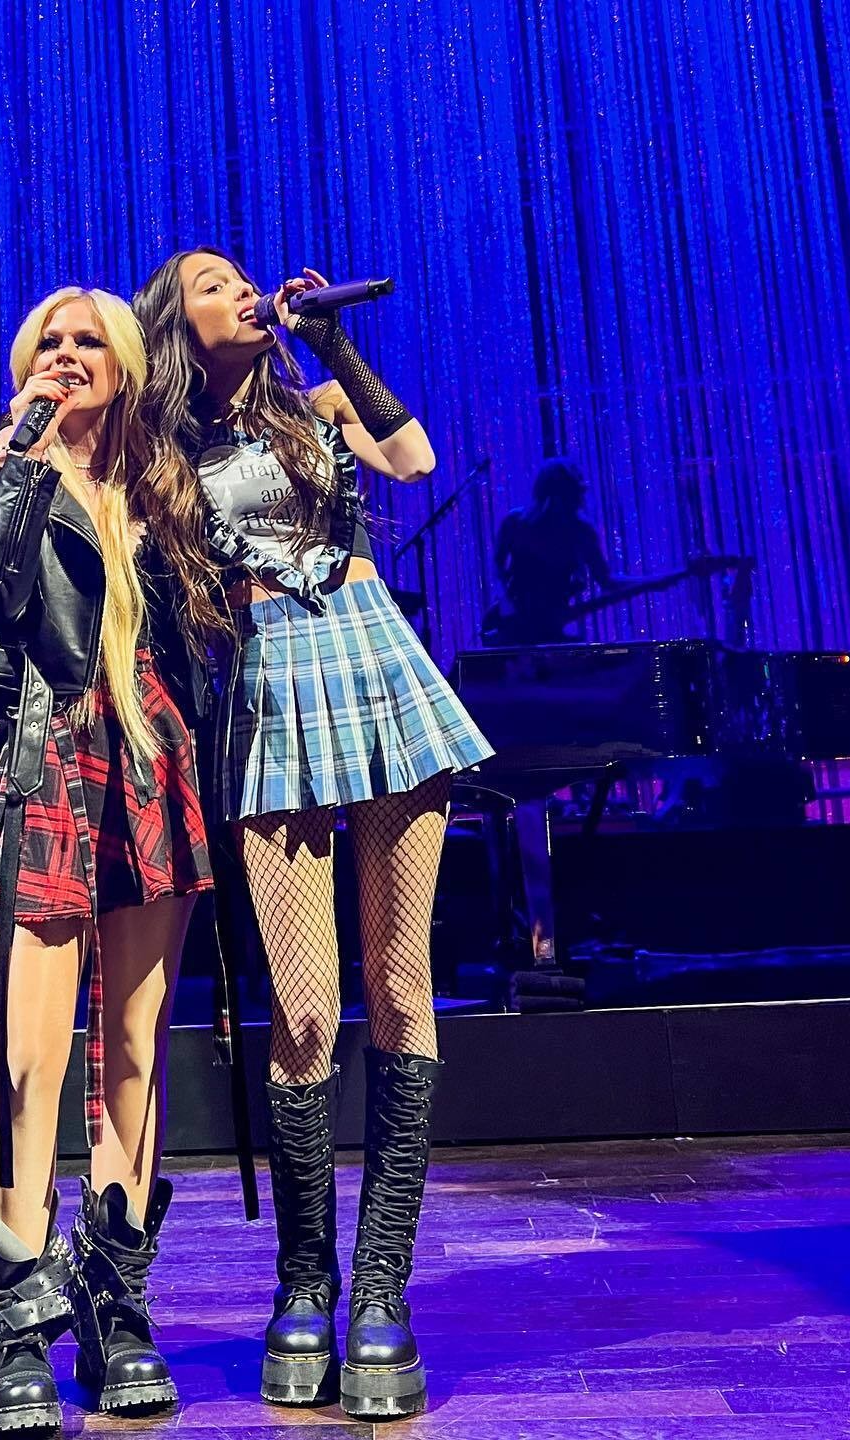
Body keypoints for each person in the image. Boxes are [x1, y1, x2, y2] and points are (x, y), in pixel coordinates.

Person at [133, 250, 492, 1421]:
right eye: (211, 284)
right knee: (300, 1008)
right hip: (271, 686)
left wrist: (329, 339)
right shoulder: (158, 447)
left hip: (376, 660)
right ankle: (304, 1276)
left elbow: (413, 458)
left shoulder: (318, 404)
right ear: (176, 323)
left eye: (244, 278)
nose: (241, 290)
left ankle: (381, 1288)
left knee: (399, 984)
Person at [0, 287, 213, 1434]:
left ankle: (115, 1300)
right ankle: (17, 1321)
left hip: (146, 758)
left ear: (126, 363)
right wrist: (26, 460)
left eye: (86, 340)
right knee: (27, 1061)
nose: (64, 355)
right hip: (42, 755)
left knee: (136, 1049)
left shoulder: (166, 485)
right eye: (47, 342)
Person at [485, 458, 620, 645]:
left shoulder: (581, 531)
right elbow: (497, 567)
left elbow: (607, 581)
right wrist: (506, 602)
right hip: (510, 625)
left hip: (551, 628)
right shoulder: (515, 522)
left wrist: (655, 581)